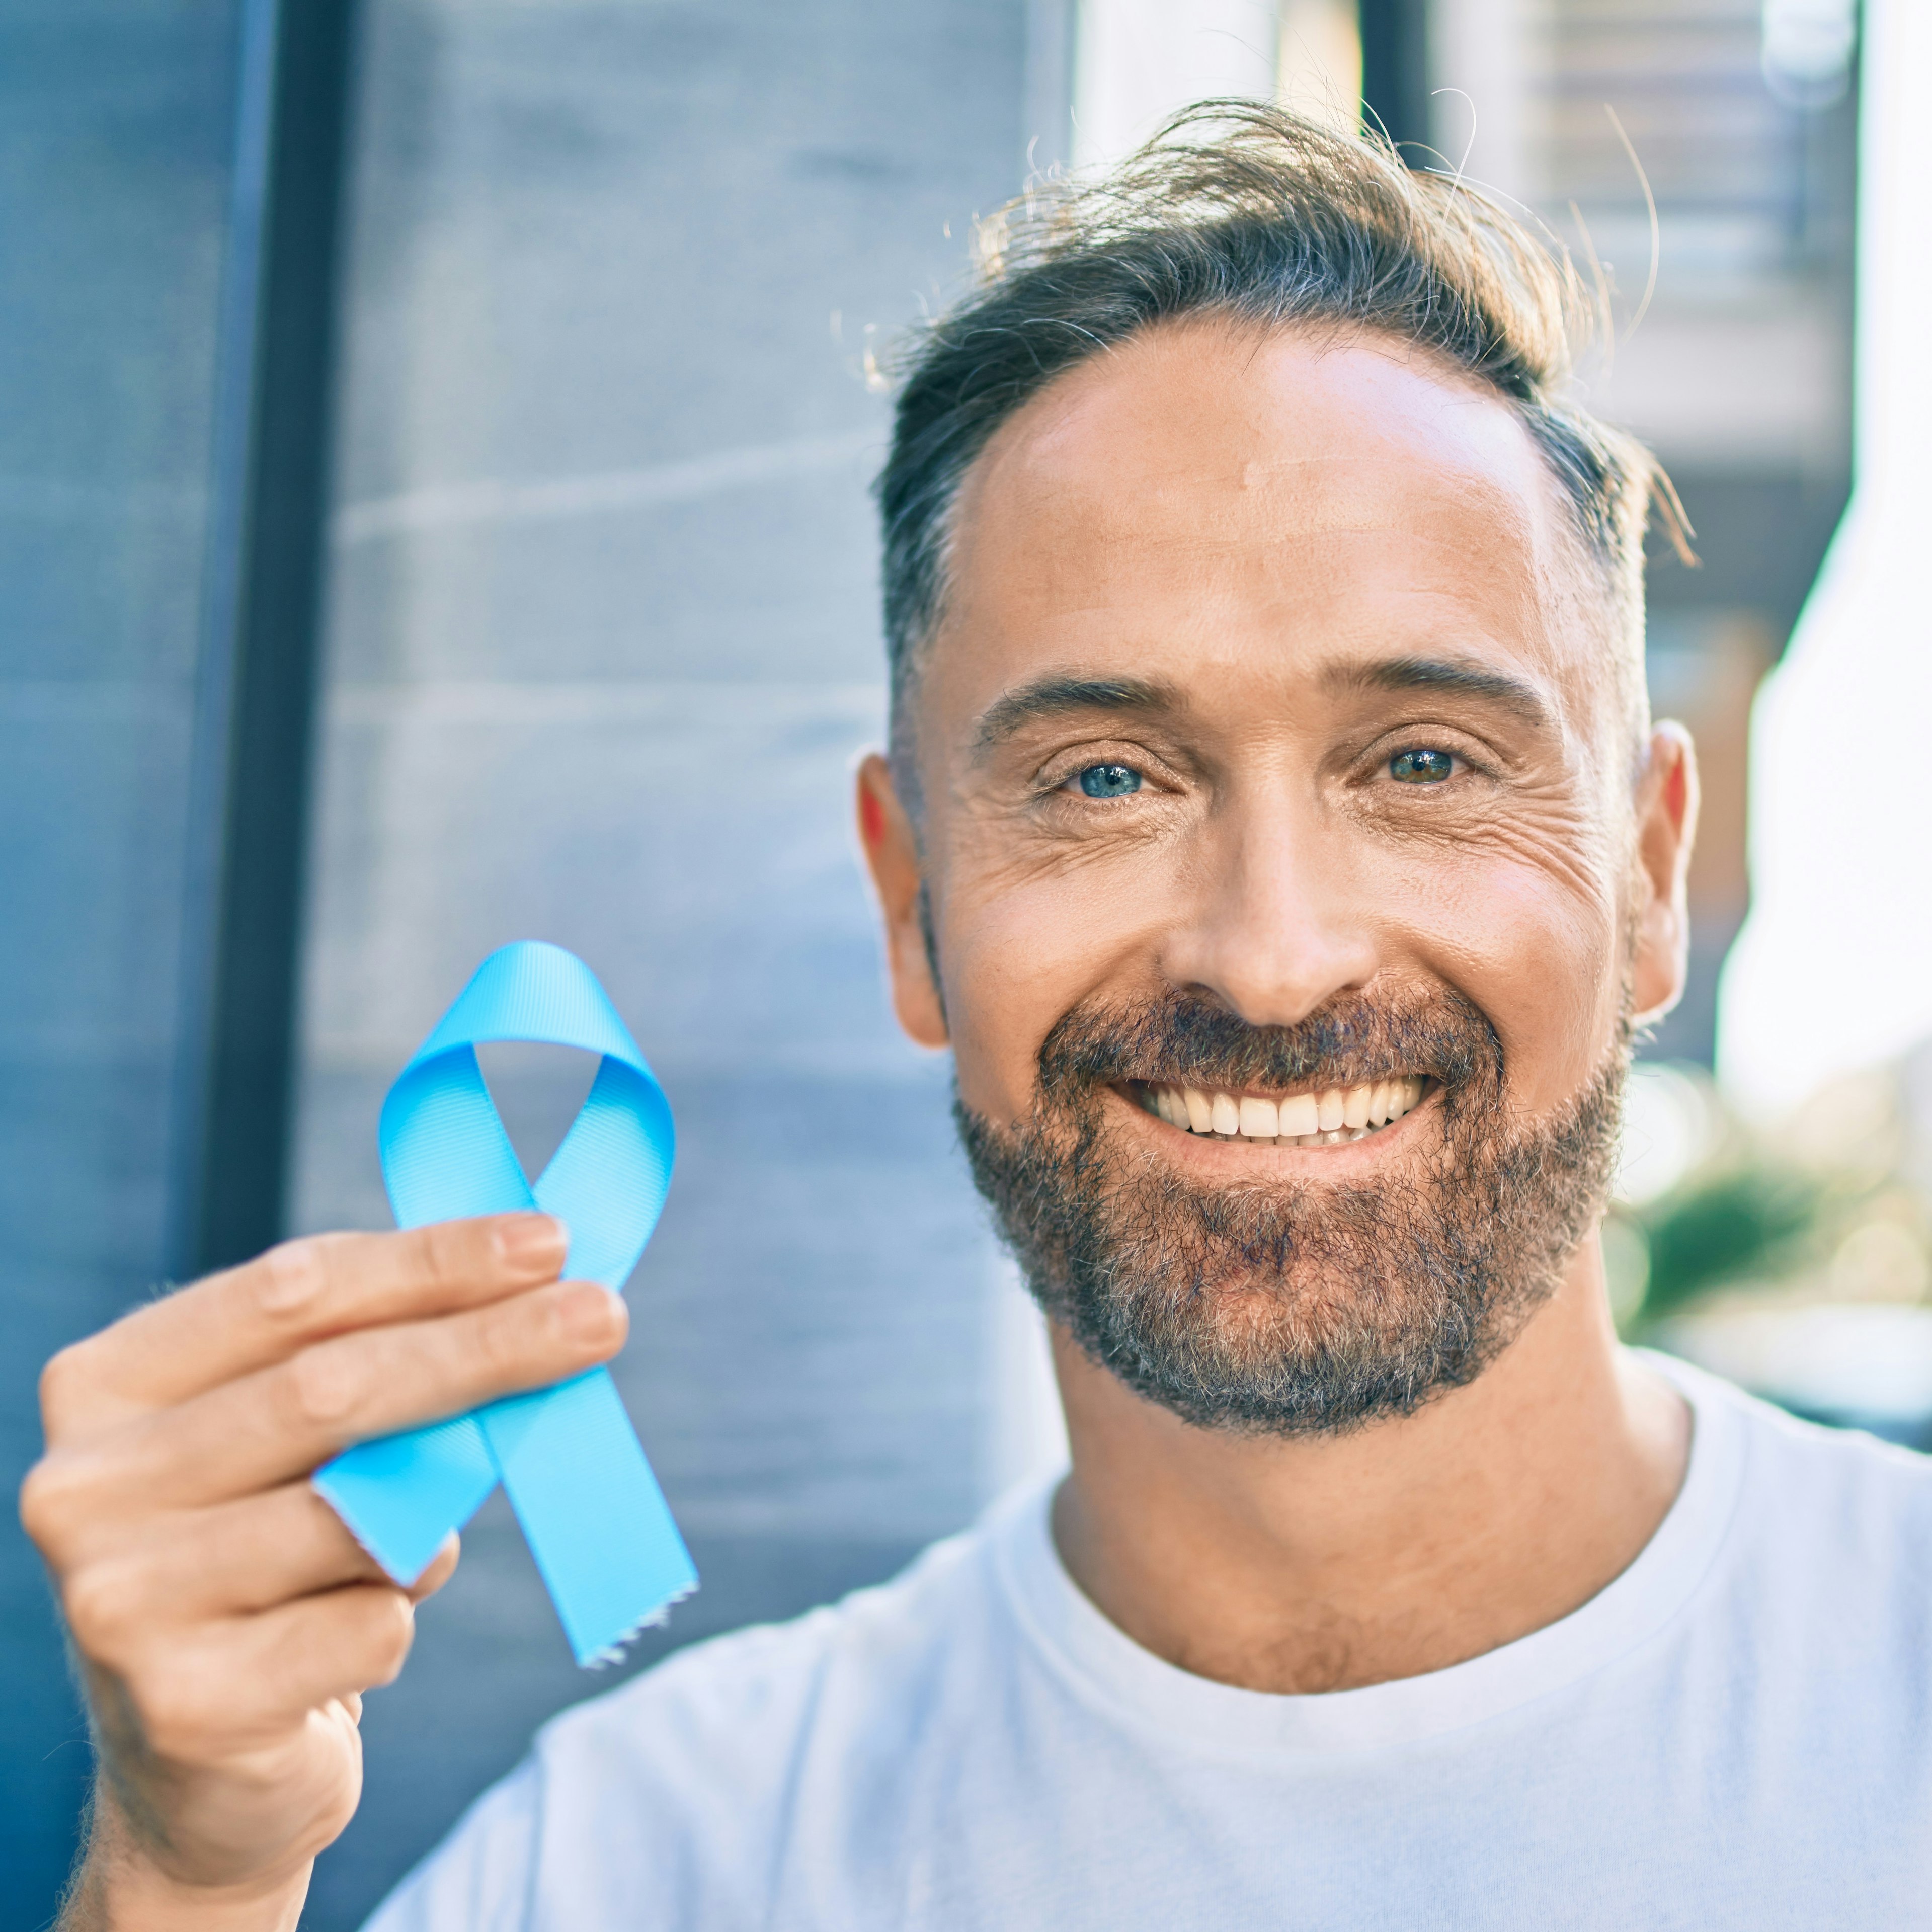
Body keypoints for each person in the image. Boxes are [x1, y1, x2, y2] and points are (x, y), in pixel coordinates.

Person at [24, 104, 1932, 1932]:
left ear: (1653, 874)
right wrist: (186, 1889)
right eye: (1107, 780)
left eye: (1423, 761)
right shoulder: (640, 1857)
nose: (1271, 959)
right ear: (910, 901)